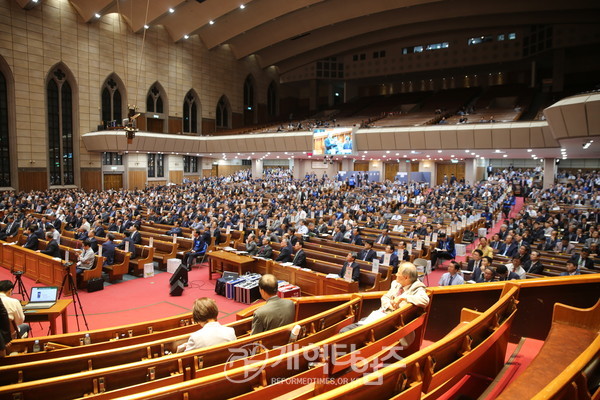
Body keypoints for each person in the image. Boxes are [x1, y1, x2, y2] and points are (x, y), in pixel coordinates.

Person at [340, 263, 429, 333]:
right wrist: (390, 304)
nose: (396, 274)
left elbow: (425, 300)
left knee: (346, 332)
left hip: (390, 323)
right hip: (381, 314)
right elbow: (385, 298)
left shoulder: (417, 287)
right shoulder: (396, 283)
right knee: (350, 328)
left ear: (406, 277)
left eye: (398, 272)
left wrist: (403, 297)